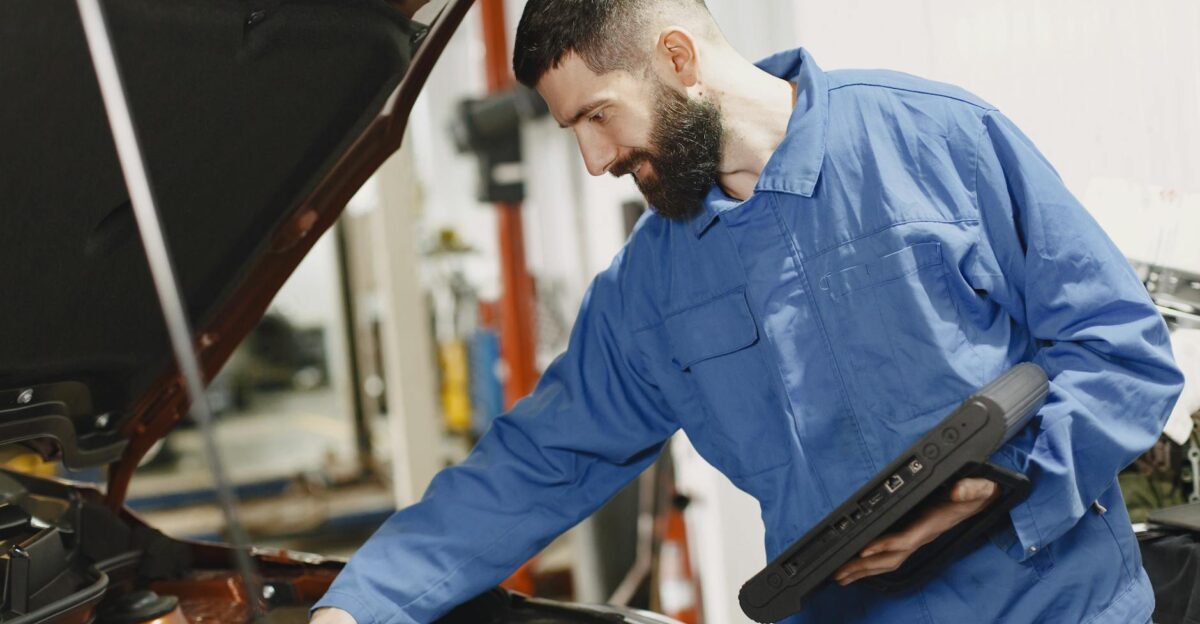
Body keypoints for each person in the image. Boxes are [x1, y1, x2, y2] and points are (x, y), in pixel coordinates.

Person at [312, 1, 1184, 622]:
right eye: (572, 130)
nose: (593, 160)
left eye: (599, 116)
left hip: (1059, 607)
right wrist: (362, 602)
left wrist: (999, 497)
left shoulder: (934, 141)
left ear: (679, 59)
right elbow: (540, 460)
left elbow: (1119, 351)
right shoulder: (647, 291)